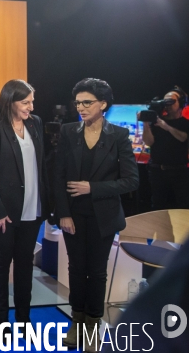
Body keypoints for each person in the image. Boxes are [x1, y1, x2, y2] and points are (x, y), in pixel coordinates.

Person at [54, 78, 139, 352]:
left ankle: (93, 325)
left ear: (103, 104)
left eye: (87, 102)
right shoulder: (68, 132)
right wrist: (63, 214)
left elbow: (131, 181)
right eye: (78, 102)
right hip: (73, 216)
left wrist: (93, 188)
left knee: (97, 271)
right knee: (76, 270)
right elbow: (58, 177)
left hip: (104, 217)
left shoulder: (119, 136)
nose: (80, 107)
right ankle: (76, 321)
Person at [0, 80, 50, 337]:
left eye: (32, 101)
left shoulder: (35, 123)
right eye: (26, 102)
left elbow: (41, 165)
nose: (31, 107)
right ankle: (1, 320)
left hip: (33, 208)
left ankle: (23, 319)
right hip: (4, 214)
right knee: (0, 265)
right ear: (10, 101)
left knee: (24, 265)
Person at [139, 87, 189, 210]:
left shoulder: (185, 123)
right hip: (157, 170)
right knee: (157, 205)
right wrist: (146, 123)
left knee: (183, 205)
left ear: (180, 103)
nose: (167, 105)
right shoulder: (157, 122)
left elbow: (183, 138)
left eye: (171, 101)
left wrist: (165, 126)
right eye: (165, 102)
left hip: (180, 171)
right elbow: (149, 141)